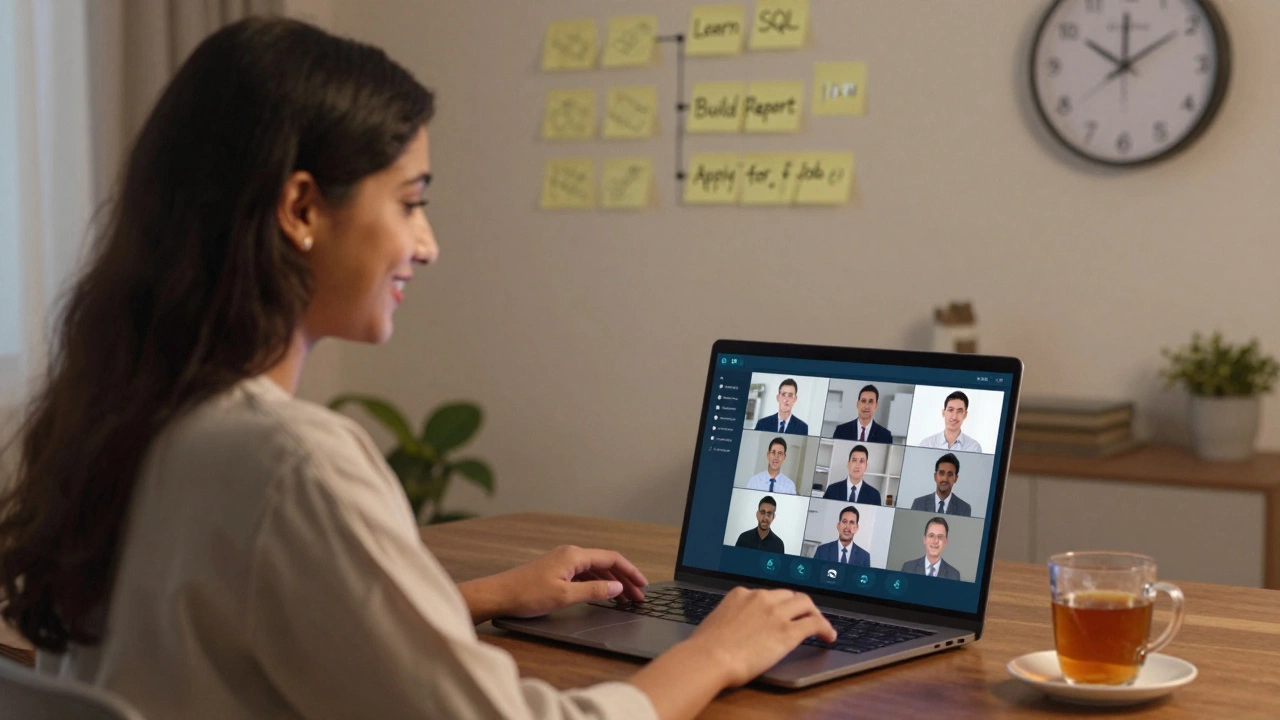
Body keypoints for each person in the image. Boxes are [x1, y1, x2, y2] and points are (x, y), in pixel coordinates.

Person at [0, 18, 834, 720]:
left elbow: (227, 622)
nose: (427, 244)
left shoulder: (138, 421)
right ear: (299, 210)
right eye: (409, 201)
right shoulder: (290, 462)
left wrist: (475, 597)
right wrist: (715, 651)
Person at [918, 390, 983, 452]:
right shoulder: (927, 444)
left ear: (965, 415)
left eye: (959, 411)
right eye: (950, 410)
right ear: (943, 413)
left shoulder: (974, 448)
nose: (954, 416)